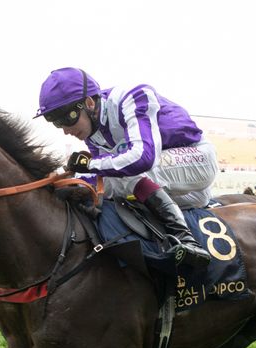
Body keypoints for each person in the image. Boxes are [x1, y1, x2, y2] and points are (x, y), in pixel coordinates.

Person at [34, 67, 213, 269]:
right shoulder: (92, 132)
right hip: (186, 192)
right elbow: (103, 178)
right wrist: (67, 179)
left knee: (124, 175)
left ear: (89, 103)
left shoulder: (134, 96)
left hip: (197, 160)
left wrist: (88, 166)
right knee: (111, 189)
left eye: (67, 118)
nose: (66, 130)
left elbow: (143, 158)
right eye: (57, 123)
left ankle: (187, 240)